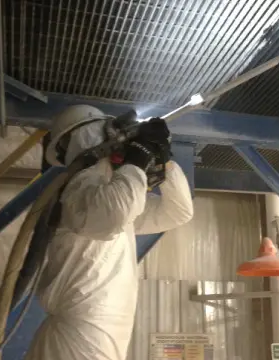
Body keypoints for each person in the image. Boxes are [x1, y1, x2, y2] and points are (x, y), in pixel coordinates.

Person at [25, 105, 193, 360]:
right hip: (80, 332)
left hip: (92, 331)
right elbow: (114, 212)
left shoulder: (108, 199)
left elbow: (178, 212)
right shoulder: (78, 192)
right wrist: (137, 159)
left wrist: (162, 161)